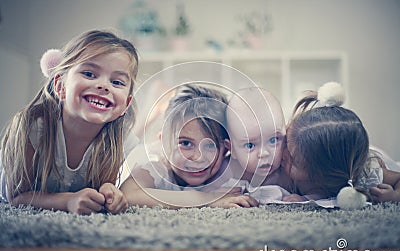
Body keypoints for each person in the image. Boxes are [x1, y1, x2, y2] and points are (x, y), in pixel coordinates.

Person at [0, 30, 139, 214]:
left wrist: (109, 192)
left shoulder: (120, 140)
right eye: (89, 74)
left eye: (117, 82)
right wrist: (67, 201)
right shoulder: (32, 128)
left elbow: (105, 187)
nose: (104, 85)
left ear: (125, 105)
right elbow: (15, 197)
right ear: (60, 86)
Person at [120, 83, 258, 208]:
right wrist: (206, 199)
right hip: (140, 151)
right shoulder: (158, 169)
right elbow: (128, 195)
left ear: (226, 148)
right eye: (185, 143)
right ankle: (151, 111)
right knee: (132, 140)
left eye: (210, 146)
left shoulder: (226, 166)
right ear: (163, 143)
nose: (198, 157)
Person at [281, 82, 400, 203]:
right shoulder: (292, 158)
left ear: (323, 174)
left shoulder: (368, 174)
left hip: (369, 158)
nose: (283, 154)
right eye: (285, 142)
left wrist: (394, 196)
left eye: (293, 160)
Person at [223, 87, 293, 197]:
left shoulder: (291, 170)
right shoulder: (227, 170)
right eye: (250, 145)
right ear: (232, 149)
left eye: (273, 140)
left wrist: (305, 197)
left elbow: (320, 189)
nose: (264, 153)